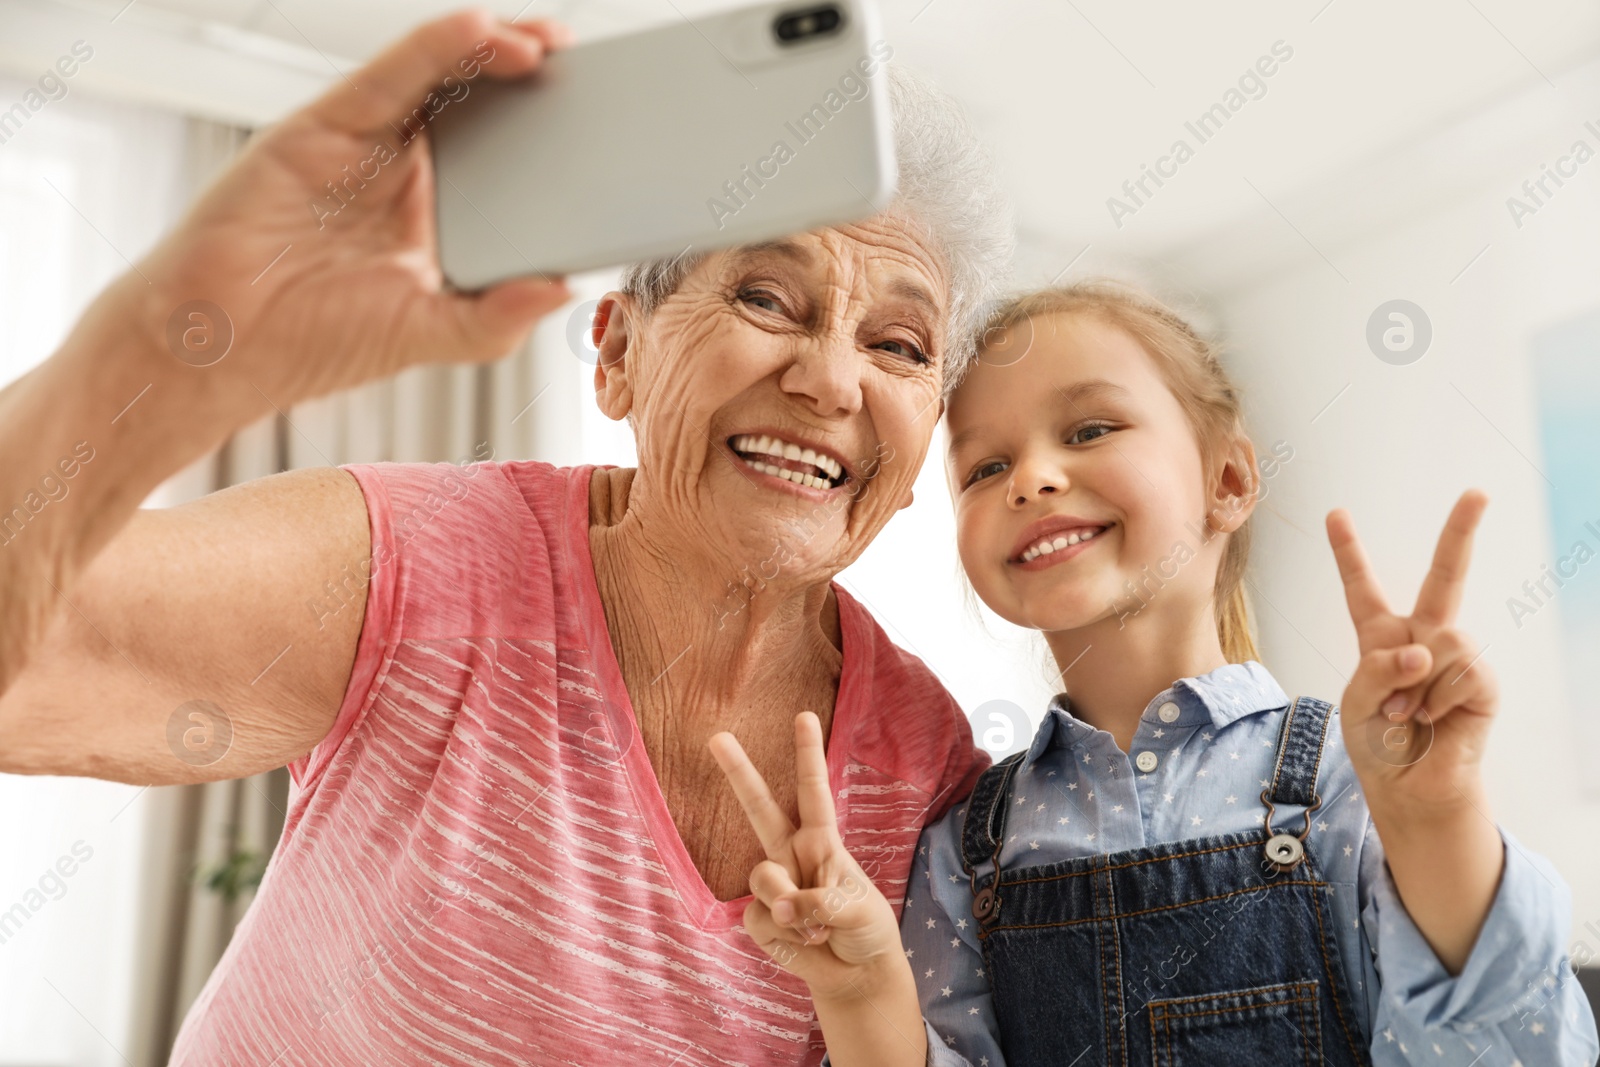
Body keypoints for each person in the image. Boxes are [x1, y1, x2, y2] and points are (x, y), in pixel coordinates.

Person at [0, 10, 1014, 1064]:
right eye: (765, 295)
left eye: (898, 344)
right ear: (616, 352)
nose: (831, 379)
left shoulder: (928, 762)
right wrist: (175, 331)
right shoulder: (425, 566)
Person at [709, 282, 1600, 1066]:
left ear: (1229, 477)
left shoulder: (1351, 782)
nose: (1032, 478)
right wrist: (862, 993)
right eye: (985, 466)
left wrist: (1436, 820)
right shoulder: (965, 850)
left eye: (1090, 428)